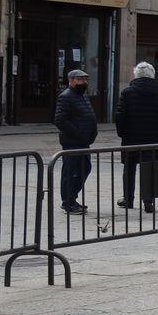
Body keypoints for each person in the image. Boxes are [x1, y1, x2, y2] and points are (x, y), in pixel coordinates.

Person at [115, 63, 158, 214]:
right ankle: (148, 201)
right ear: (152, 75)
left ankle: (128, 198)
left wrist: (122, 133)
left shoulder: (127, 92)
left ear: (136, 75)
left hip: (131, 137)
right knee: (150, 169)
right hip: (154, 137)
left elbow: (120, 116)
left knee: (129, 168)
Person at [53, 69, 97, 215]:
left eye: (85, 79)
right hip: (72, 141)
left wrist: (92, 132)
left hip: (84, 141)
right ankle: (68, 201)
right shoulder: (66, 97)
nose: (84, 82)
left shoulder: (82, 96)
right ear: (71, 81)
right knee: (71, 172)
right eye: (80, 80)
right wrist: (77, 134)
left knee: (85, 168)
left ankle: (72, 197)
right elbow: (60, 119)